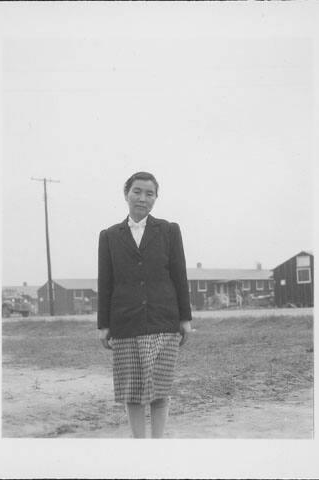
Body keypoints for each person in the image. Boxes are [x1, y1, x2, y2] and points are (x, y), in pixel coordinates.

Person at [97, 171, 192, 438]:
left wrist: (185, 319)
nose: (142, 198)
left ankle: (157, 443)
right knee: (132, 390)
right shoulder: (109, 236)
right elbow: (105, 283)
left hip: (164, 320)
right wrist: (103, 325)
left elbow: (179, 275)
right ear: (126, 194)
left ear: (155, 198)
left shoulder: (169, 230)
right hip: (126, 323)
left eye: (149, 193)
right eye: (137, 191)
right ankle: (139, 444)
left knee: (160, 388)